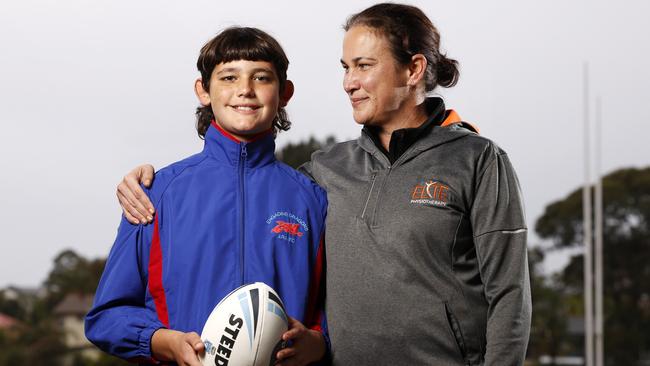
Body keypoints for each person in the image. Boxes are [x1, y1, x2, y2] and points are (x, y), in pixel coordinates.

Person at [115, 3, 532, 365]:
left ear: (414, 68)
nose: (348, 82)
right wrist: (142, 181)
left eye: (364, 66)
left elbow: (509, 296)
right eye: (346, 68)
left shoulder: (477, 159)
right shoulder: (322, 173)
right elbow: (248, 181)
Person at [85, 27, 329, 366]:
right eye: (228, 77)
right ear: (203, 90)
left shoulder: (313, 200)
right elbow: (106, 317)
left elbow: (338, 313)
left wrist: (318, 343)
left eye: (261, 78)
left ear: (284, 92)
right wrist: (163, 342)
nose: (245, 90)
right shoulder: (157, 193)